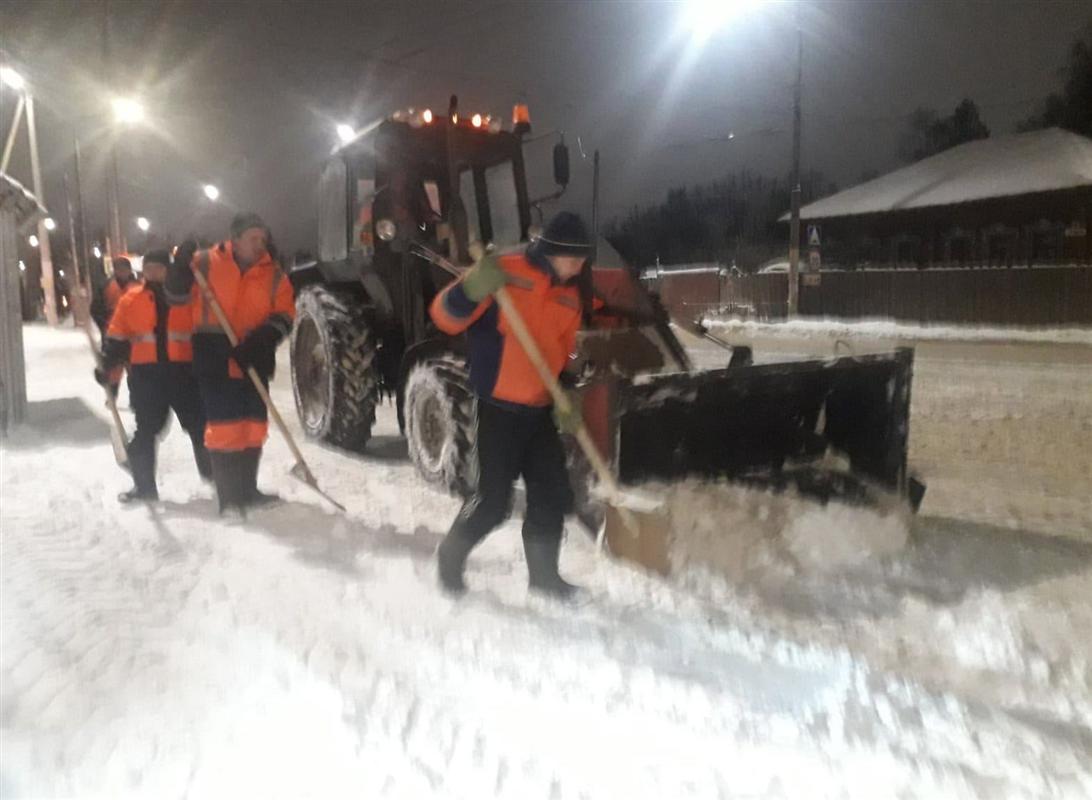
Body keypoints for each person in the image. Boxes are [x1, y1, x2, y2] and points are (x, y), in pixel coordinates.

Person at [429, 211, 593, 598]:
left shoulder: (570, 295)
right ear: (553, 251)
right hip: (498, 408)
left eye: (584, 259)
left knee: (550, 494)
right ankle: (449, 560)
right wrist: (468, 291)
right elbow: (443, 317)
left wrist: (566, 390)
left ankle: (544, 579)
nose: (580, 266)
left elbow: (562, 352)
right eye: (574, 258)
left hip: (538, 410)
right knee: (491, 503)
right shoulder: (503, 269)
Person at [167, 212, 294, 513]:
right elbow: (175, 296)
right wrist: (178, 270)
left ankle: (247, 491)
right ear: (235, 240)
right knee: (225, 427)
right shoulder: (205, 263)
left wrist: (263, 338)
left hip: (255, 354)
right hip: (215, 354)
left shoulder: (274, 274)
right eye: (253, 238)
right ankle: (230, 499)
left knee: (253, 426)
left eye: (262, 239)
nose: (259, 244)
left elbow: (285, 314)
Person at [95, 249, 211, 502]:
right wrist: (109, 368)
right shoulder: (130, 299)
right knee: (145, 432)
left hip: (184, 374)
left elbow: (203, 332)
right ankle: (144, 487)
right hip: (147, 378)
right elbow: (117, 339)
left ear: (167, 270)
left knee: (201, 427)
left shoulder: (185, 297)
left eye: (158, 267)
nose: (153, 272)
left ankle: (215, 478)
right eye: (148, 268)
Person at [92, 256, 137, 334]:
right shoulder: (105, 287)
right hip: (112, 332)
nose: (122, 272)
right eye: (119, 270)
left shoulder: (139, 287)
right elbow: (95, 309)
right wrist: (104, 325)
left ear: (129, 270)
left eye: (124, 270)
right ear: (115, 271)